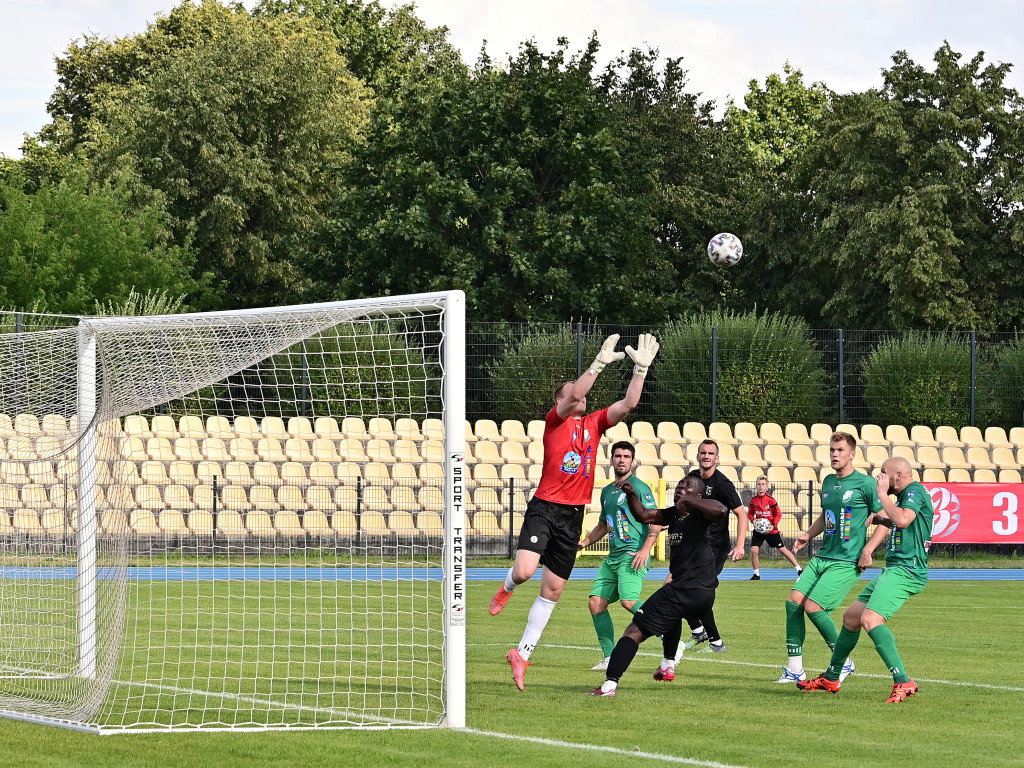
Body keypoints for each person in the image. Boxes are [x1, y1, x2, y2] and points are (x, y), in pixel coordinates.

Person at [488, 333, 660, 691]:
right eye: (571, 391)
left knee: (552, 591)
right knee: (523, 572)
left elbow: (628, 403)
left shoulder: (595, 423)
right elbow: (577, 394)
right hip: (546, 507)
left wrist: (640, 369)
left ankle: (521, 653)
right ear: (560, 400)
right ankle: (506, 587)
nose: (579, 396)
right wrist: (597, 363)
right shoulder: (556, 420)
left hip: (573, 515)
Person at [798, 456, 931, 703]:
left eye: (883, 472)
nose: (879, 476)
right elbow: (901, 522)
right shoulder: (905, 497)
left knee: (870, 619)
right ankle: (831, 676)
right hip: (894, 568)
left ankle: (903, 680)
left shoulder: (915, 491)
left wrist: (881, 495)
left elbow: (903, 520)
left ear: (899, 475)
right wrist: (881, 519)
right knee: (851, 618)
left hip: (907, 570)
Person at [586, 475, 727, 696]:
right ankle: (666, 666)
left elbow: (721, 510)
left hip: (688, 589)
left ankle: (608, 686)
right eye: (679, 484)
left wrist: (690, 502)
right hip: (701, 594)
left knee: (633, 632)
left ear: (698, 496)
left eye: (687, 487)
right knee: (672, 617)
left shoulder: (700, 514)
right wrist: (632, 495)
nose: (681, 488)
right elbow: (643, 515)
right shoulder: (673, 514)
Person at [774, 431, 883, 684]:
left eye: (840, 450)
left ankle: (842, 661)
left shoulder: (865, 484)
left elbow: (884, 521)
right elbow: (826, 516)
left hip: (847, 560)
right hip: (824, 556)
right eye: (832, 450)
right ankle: (795, 670)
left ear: (852, 454)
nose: (835, 454)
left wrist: (867, 550)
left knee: (814, 607)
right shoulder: (827, 482)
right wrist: (808, 535)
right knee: (793, 603)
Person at [578, 441, 661, 670]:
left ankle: (667, 631)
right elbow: (604, 524)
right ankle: (608, 657)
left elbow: (656, 519)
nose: (622, 460)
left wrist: (646, 550)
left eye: (626, 456)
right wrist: (584, 542)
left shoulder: (640, 487)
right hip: (613, 557)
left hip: (633, 554)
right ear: (611, 459)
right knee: (596, 603)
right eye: (618, 456)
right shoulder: (607, 491)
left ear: (632, 461)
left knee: (628, 601)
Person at [677, 439, 747, 653]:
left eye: (710, 453)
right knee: (678, 587)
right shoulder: (692, 478)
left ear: (717, 458)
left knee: (697, 590)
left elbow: (741, 514)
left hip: (715, 548)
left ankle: (716, 642)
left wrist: (740, 545)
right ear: (697, 456)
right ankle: (699, 632)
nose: (706, 456)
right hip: (694, 544)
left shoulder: (722, 484)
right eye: (703, 453)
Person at [748, 475, 802, 580]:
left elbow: (778, 514)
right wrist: (753, 520)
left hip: (771, 531)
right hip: (759, 530)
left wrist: (773, 525)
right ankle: (756, 574)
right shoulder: (753, 500)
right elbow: (750, 514)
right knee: (754, 550)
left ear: (767, 486)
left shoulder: (771, 500)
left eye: (763, 484)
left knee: (783, 550)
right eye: (759, 484)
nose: (761, 486)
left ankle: (799, 569)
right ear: (756, 486)